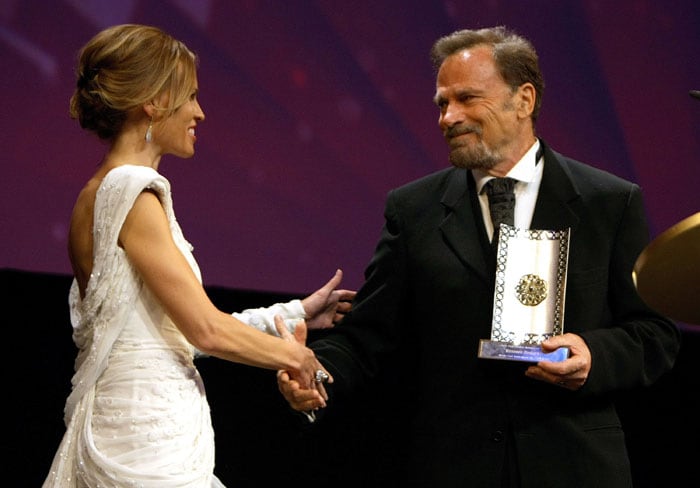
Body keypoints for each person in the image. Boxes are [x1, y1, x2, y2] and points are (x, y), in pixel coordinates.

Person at [277, 25, 681, 487]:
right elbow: (368, 335)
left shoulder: (607, 201)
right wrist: (317, 372)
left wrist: (595, 354)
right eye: (442, 104)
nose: (448, 118)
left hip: (575, 464)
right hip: (456, 465)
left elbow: (653, 333)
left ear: (524, 100)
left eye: (467, 98)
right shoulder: (415, 210)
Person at [42, 24, 354, 487]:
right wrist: (295, 358)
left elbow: (167, 333)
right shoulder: (131, 191)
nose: (200, 112)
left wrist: (295, 313)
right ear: (153, 101)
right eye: (189, 96)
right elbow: (205, 330)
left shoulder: (98, 193)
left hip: (126, 428)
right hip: (147, 448)